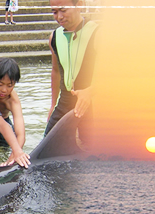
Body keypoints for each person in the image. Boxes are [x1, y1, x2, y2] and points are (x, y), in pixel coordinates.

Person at [45, 0, 98, 140]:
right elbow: (56, 72)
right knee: (47, 145)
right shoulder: (54, 37)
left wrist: (90, 91)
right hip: (65, 102)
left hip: (92, 103)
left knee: (92, 149)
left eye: (63, 10)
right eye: (54, 12)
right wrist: (53, 105)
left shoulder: (97, 33)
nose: (59, 17)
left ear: (79, 4)